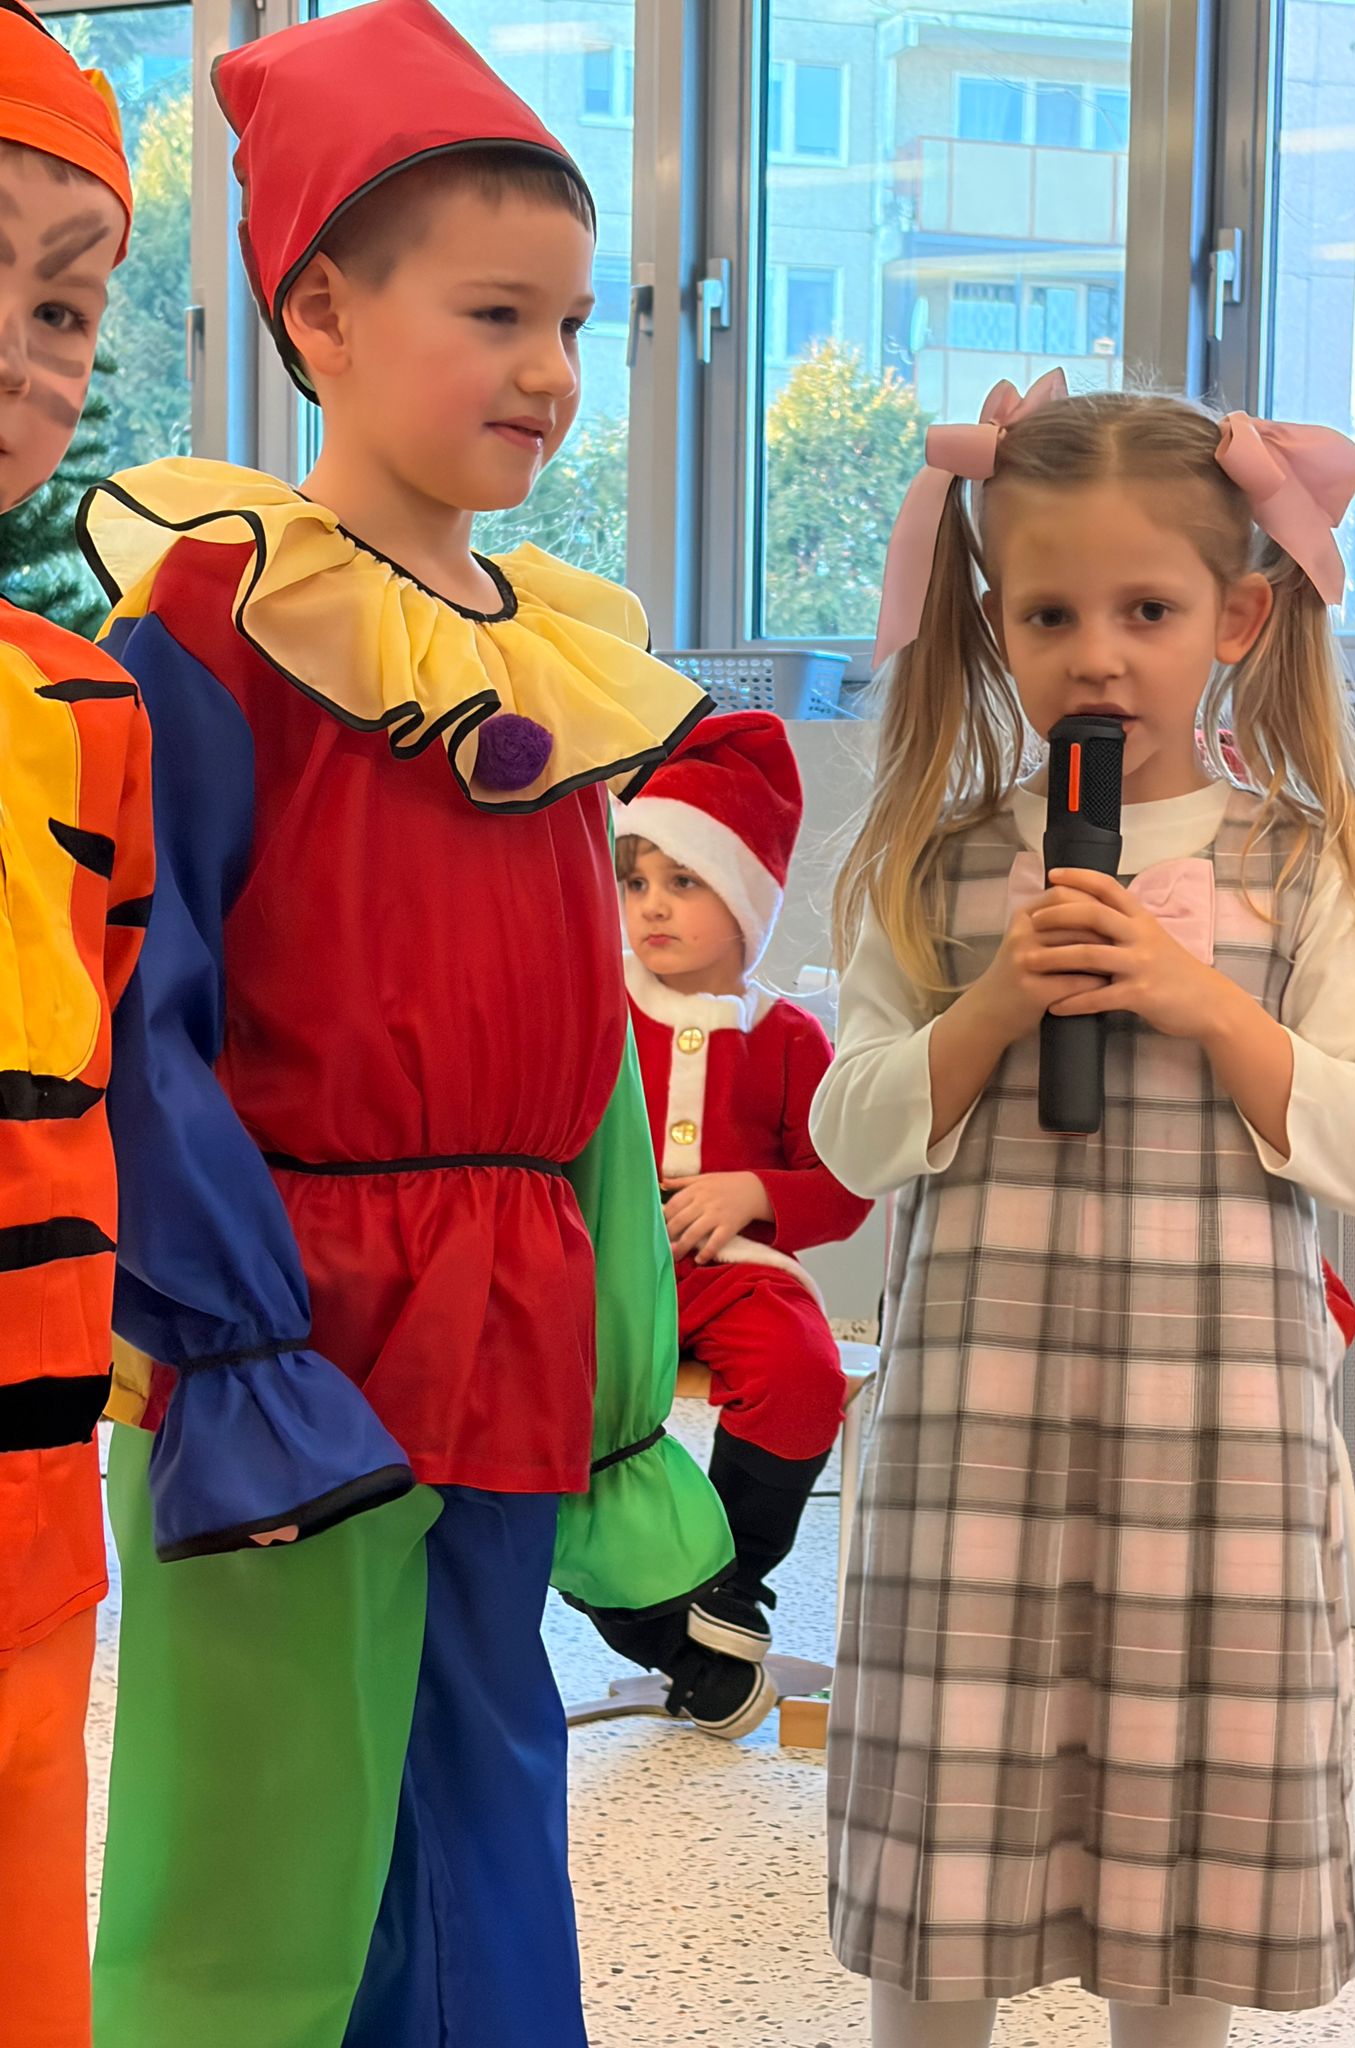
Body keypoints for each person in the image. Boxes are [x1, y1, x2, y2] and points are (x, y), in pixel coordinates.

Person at [80, 3, 730, 2043]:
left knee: (483, 1784)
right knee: (273, 1842)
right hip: (292, 1316)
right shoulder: (215, 616)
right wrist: (231, 1341)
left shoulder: (552, 657)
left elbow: (589, 1068)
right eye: (496, 315)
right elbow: (140, 1003)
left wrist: (623, 1361)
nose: (551, 372)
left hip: (512, 1308)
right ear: (324, 315)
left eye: (574, 323)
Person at [809, 369, 1355, 2048]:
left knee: (1184, 1882)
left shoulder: (1304, 867)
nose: (1098, 657)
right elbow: (850, 1136)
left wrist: (1208, 1004)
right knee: (945, 1883)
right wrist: (991, 1006)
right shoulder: (936, 864)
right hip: (974, 1449)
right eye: (1050, 614)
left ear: (1236, 616)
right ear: (993, 625)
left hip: (1212, 1456)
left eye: (1146, 610)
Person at [0, 13, 150, 2043]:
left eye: (61, 306)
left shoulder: (85, 706)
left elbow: (98, 1034)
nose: (18, 356)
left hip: (29, 1479)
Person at [589, 710, 873, 1736]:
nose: (653, 906)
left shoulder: (789, 1036)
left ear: (747, 896)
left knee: (801, 1368)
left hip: (737, 1274)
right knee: (549, 1396)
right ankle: (660, 1621)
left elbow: (845, 1185)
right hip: (602, 1274)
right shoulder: (598, 1011)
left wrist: (755, 1191)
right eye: (635, 882)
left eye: (685, 880)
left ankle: (729, 1586)